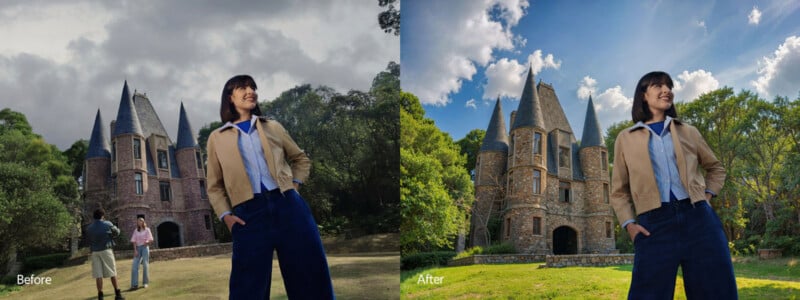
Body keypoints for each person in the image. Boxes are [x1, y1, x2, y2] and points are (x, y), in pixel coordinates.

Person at [206, 74, 335, 299]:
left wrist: (294, 186)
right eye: (243, 87)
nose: (251, 91)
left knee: (310, 275)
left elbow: (301, 159)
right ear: (230, 96)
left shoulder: (272, 126)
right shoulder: (217, 138)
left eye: (253, 87)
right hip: (248, 214)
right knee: (247, 287)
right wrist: (226, 215)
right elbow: (214, 185)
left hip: (289, 206)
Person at [610, 71, 738, 299]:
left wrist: (707, 196)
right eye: (658, 85)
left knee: (717, 292)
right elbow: (619, 191)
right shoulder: (625, 138)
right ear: (643, 95)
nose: (667, 90)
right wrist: (629, 225)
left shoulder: (688, 131)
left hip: (700, 220)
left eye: (669, 86)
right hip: (653, 226)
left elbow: (715, 168)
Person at [86, 208, 125, 300]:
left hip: (95, 252)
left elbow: (89, 239)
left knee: (98, 275)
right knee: (112, 272)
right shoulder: (107, 224)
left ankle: (100, 296)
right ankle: (118, 294)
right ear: (102, 216)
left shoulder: (89, 228)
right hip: (106, 250)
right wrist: (111, 235)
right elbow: (117, 232)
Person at [129, 217, 154, 289]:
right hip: (138, 248)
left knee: (145, 265)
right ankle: (134, 284)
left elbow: (151, 239)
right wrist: (135, 250)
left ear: (143, 222)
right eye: (138, 221)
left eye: (141, 221)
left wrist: (147, 241)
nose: (139, 222)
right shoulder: (136, 230)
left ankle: (145, 283)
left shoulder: (147, 230)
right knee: (134, 266)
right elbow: (133, 241)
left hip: (145, 248)